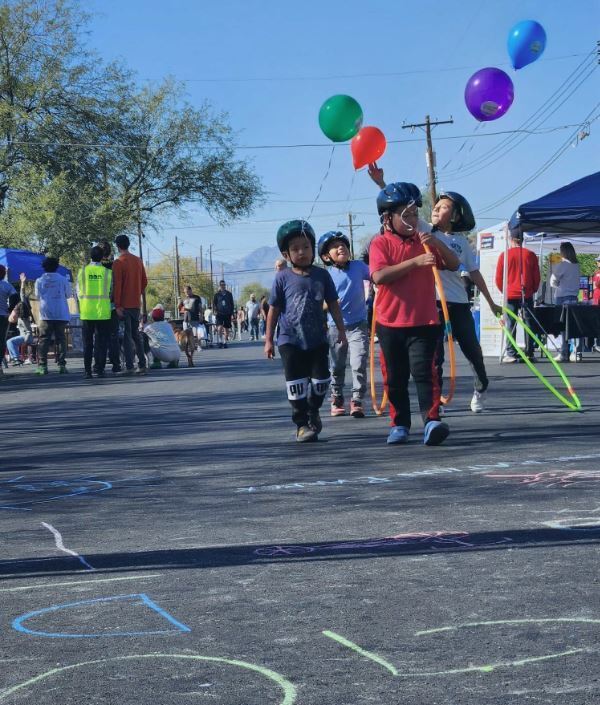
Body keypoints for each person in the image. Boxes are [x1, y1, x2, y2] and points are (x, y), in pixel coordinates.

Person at [368, 167, 501, 413]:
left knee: (473, 350)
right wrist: (381, 183)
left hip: (458, 304)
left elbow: (474, 273)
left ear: (456, 214)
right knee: (434, 358)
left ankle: (480, 384)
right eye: (436, 206)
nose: (437, 209)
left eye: (444, 207)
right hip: (433, 304)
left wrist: (491, 302)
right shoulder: (423, 228)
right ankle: (434, 405)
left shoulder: (461, 241)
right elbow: (399, 208)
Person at [369, 183, 460, 446]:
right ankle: (399, 425)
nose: (412, 221)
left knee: (425, 373)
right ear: (388, 218)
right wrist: (414, 263)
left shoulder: (426, 240)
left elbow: (454, 265)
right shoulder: (380, 243)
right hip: (390, 322)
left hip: (425, 320)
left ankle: (432, 421)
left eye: (414, 215)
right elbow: (379, 276)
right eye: (405, 216)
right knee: (395, 377)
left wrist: (437, 246)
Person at [265, 220, 347, 442]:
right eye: (295, 249)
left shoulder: (322, 276)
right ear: (286, 254)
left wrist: (341, 330)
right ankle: (301, 424)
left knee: (321, 382)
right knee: (296, 384)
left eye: (306, 247)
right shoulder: (282, 278)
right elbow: (273, 310)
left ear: (313, 249)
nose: (302, 252)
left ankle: (313, 409)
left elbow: (333, 304)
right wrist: (269, 340)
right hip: (289, 340)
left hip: (317, 339)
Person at [318, 230, 370, 418]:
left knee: (359, 362)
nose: (341, 247)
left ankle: (357, 399)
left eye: (343, 245)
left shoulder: (359, 267)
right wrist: (329, 304)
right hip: (336, 327)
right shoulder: (326, 276)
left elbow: (376, 276)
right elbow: (319, 303)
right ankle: (337, 396)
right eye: (334, 246)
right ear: (326, 256)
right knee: (337, 365)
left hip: (358, 324)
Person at [495, 228, 540, 363]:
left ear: (511, 239)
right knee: (529, 323)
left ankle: (511, 352)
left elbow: (498, 278)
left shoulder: (505, 255)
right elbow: (536, 276)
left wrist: (504, 291)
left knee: (510, 323)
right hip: (526, 293)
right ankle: (530, 352)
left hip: (510, 294)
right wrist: (533, 290)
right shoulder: (530, 255)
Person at [112, 234, 148, 375]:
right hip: (135, 304)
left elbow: (117, 285)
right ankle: (142, 364)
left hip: (124, 305)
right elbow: (144, 281)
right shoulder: (138, 261)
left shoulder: (118, 263)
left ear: (117, 246)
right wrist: (136, 292)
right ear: (128, 244)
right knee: (136, 335)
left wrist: (118, 305)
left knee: (127, 336)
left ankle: (129, 366)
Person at [77, 245, 113, 379]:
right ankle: (100, 368)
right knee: (101, 342)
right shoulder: (107, 273)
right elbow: (110, 292)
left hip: (87, 312)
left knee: (87, 343)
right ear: (102, 257)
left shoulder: (82, 272)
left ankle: (87, 371)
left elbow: (78, 292)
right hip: (103, 312)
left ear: (90, 256)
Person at [34, 256, 72, 375]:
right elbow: (68, 295)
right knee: (61, 339)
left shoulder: (39, 281)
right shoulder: (63, 280)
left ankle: (43, 366)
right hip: (61, 313)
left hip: (46, 314)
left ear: (44, 267)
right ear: (57, 267)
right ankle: (61, 365)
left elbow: (37, 296)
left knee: (44, 340)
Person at [550, 241, 581, 362]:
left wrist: (558, 283)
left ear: (563, 252)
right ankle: (576, 352)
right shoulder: (576, 265)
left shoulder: (563, 264)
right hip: (573, 297)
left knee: (563, 327)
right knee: (573, 326)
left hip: (562, 297)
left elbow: (553, 280)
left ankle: (564, 352)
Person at [99, 240, 122, 374]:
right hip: (112, 305)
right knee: (114, 336)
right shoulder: (114, 266)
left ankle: (100, 365)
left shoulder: (95, 268)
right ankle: (116, 363)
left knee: (101, 336)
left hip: (98, 307)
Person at [6, 273, 34, 365]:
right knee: (10, 342)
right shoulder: (25, 314)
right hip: (27, 336)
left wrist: (22, 283)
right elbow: (22, 297)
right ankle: (16, 358)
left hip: (26, 337)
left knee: (10, 342)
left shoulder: (23, 317)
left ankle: (16, 358)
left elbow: (22, 295)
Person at [0, 265, 17, 376]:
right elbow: (15, 298)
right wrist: (10, 310)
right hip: (2, 316)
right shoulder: (6, 285)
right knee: (1, 342)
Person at [181, 284, 204, 349]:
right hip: (186, 319)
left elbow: (200, 308)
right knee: (186, 334)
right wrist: (179, 303)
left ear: (190, 290)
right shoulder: (184, 299)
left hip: (194, 318)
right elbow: (180, 308)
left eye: (187, 291)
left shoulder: (197, 297)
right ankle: (189, 346)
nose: (186, 293)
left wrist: (201, 315)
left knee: (196, 334)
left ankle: (199, 346)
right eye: (185, 292)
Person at [213, 280, 234, 348]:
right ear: (220, 286)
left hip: (227, 313)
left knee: (226, 329)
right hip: (219, 314)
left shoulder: (229, 294)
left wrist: (232, 313)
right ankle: (220, 341)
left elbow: (232, 304)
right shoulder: (217, 295)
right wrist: (215, 311)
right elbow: (214, 304)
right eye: (221, 285)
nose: (223, 286)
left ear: (225, 285)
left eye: (224, 285)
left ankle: (225, 342)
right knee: (219, 328)